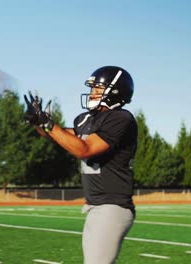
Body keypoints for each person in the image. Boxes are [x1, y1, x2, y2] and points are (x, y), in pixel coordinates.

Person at [24, 66, 137, 264]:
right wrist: (38, 121)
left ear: (116, 91)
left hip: (112, 206)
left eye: (98, 88)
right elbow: (60, 136)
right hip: (95, 206)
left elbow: (83, 149)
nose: (92, 93)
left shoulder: (121, 118)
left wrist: (48, 124)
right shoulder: (85, 119)